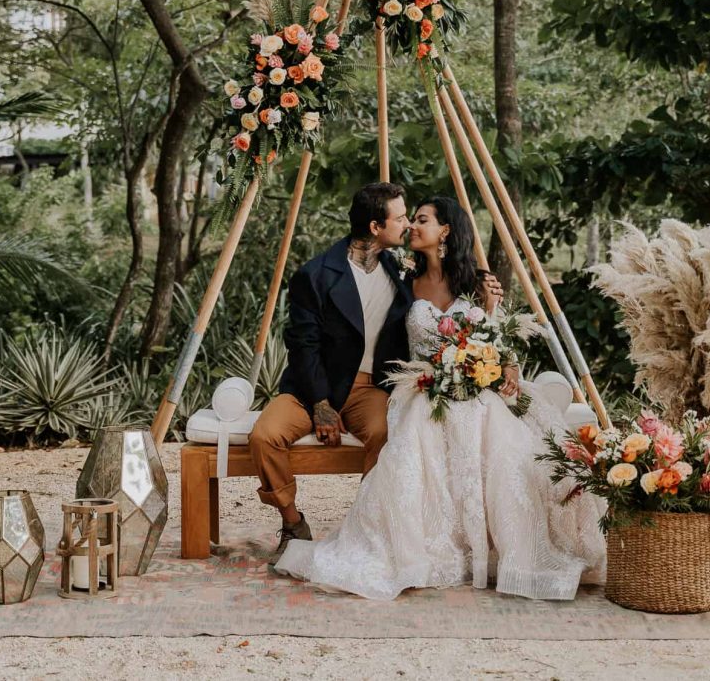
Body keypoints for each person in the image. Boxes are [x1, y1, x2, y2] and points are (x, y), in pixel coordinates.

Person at [272, 196, 606, 600]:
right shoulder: (403, 280)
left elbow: (498, 337)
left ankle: (502, 546)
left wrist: (507, 367)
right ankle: (415, 546)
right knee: (419, 442)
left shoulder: (477, 283)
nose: (412, 226)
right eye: (408, 219)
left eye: (421, 219)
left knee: (507, 446)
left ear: (445, 231)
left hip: (479, 388)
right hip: (426, 389)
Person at [248, 182, 414, 562]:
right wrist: (321, 403)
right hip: (310, 389)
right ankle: (293, 523)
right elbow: (303, 344)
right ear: (375, 227)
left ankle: (365, 527)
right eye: (401, 218)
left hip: (368, 389)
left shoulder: (401, 269)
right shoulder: (315, 274)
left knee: (387, 433)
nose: (407, 224)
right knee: (264, 436)